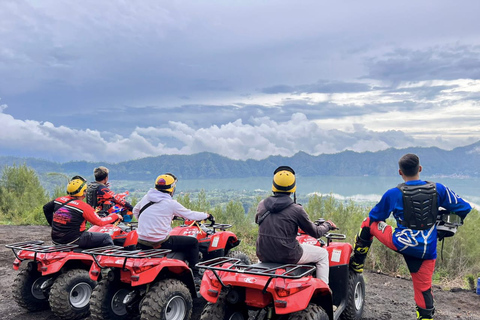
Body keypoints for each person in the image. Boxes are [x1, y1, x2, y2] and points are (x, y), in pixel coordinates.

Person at [349, 153, 472, 320]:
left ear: (400, 172)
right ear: (420, 169)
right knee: (424, 289)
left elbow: (375, 217)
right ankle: (425, 317)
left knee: (368, 223)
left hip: (400, 241)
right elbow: (464, 208)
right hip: (427, 250)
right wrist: (441, 219)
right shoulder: (439, 189)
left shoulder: (393, 193)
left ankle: (356, 265)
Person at [255, 166, 337, 284]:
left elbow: (259, 221)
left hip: (264, 254)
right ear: (293, 188)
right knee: (323, 254)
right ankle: (323, 290)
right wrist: (327, 225)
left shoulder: (262, 204)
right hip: (288, 255)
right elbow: (316, 232)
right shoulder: (296, 209)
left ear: (274, 185)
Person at [133, 173, 214, 283]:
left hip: (142, 241)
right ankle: (195, 274)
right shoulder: (171, 203)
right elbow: (190, 215)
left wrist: (148, 223)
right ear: (172, 189)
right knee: (193, 242)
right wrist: (207, 215)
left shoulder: (146, 198)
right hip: (161, 242)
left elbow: (136, 211)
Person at [43, 175, 123, 248]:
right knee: (106, 237)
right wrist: (115, 216)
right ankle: (104, 262)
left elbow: (46, 208)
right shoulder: (83, 207)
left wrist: (53, 225)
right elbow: (100, 222)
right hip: (74, 240)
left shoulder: (59, 200)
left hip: (56, 239)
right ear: (83, 192)